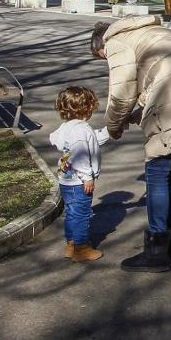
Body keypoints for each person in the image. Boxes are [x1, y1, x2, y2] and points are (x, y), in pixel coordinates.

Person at [90, 16, 171, 273]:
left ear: (100, 44)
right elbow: (149, 86)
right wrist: (134, 117)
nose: (106, 62)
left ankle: (157, 249)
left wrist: (114, 126)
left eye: (102, 58)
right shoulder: (152, 31)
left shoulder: (116, 41)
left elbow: (122, 92)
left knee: (157, 171)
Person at [50, 86, 111, 263]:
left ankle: (71, 243)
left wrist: (110, 131)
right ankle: (81, 248)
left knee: (71, 212)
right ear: (88, 108)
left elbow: (55, 138)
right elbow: (81, 154)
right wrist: (88, 177)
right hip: (79, 182)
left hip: (66, 180)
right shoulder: (81, 130)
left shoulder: (68, 127)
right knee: (81, 214)